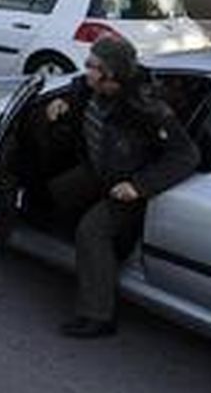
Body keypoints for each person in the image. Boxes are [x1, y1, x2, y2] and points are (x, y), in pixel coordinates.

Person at [44, 36, 200, 339]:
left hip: (128, 188)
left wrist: (139, 187)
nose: (85, 69)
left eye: (92, 66)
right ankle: (93, 263)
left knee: (91, 232)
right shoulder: (92, 88)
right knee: (57, 193)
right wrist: (62, 102)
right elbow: (79, 88)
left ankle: (98, 315)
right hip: (98, 172)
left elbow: (185, 155)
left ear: (111, 74)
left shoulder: (147, 108)